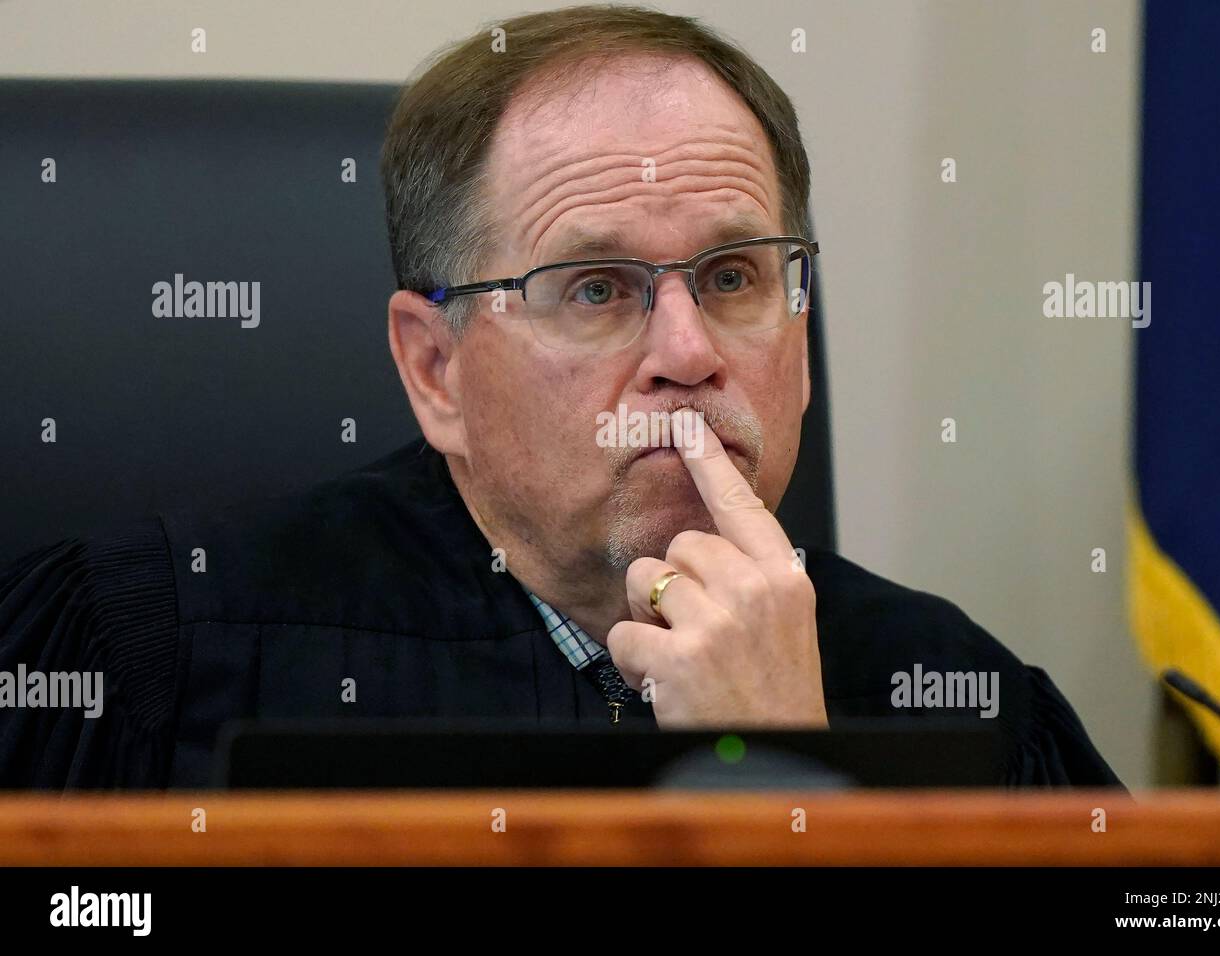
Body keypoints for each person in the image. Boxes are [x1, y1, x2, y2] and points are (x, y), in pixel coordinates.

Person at [0, 4, 1121, 788]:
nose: (687, 351)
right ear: (433, 370)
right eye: (596, 287)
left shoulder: (961, 702)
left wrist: (791, 779)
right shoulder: (156, 651)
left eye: (733, 277)